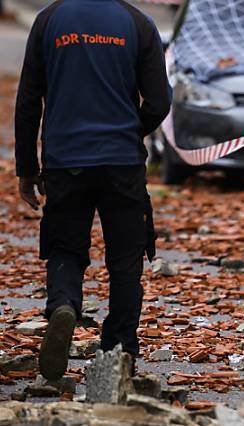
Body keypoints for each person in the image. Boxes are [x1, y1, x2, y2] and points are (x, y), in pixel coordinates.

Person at [14, 0, 172, 380]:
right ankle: (118, 351)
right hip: (122, 165)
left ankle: (64, 305)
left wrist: (27, 169)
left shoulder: (49, 20)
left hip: (66, 162)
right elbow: (159, 101)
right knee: (125, 259)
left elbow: (28, 100)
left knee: (65, 247)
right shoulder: (138, 23)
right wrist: (131, 130)